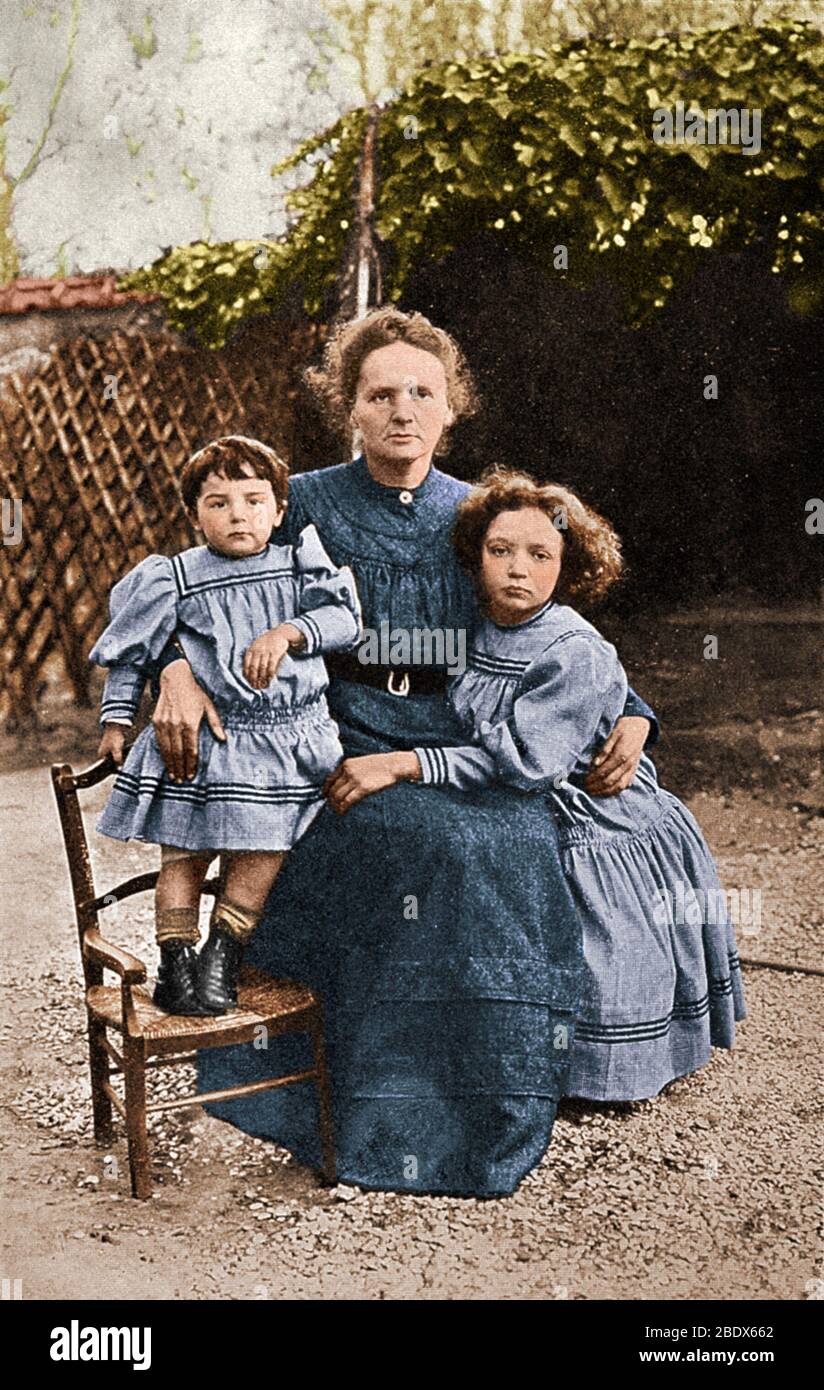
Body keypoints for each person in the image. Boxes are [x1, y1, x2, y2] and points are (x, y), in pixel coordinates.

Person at [151, 308, 659, 1197]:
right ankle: (398, 1114)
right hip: (328, 745)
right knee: (442, 846)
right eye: (380, 393)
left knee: (515, 834)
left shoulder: (478, 513)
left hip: (459, 740)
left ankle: (505, 1085)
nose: (402, 411)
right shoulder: (297, 500)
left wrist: (634, 712)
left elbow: (550, 628)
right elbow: (194, 588)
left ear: (451, 407)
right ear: (347, 407)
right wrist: (174, 673)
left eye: (422, 392)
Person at [329, 470, 746, 1101]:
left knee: (590, 942)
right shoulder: (471, 627)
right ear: (476, 558)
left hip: (588, 805)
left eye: (540, 555)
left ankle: (596, 1069)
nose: (517, 569)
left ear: (568, 566)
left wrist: (404, 763)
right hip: (515, 788)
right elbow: (379, 652)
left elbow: (527, 761)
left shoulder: (574, 650)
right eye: (500, 552)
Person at [89, 436, 361, 1017]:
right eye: (218, 503)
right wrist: (116, 720)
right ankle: (176, 961)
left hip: (285, 742)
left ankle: (222, 956)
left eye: (253, 500)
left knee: (262, 854)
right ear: (194, 515)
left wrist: (289, 633)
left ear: (279, 510)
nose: (238, 514)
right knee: (184, 857)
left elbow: (343, 620)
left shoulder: (298, 563)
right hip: (206, 743)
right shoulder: (176, 577)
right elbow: (133, 651)